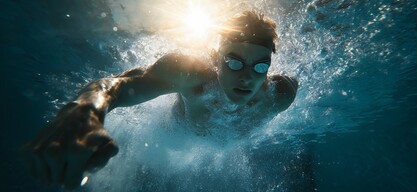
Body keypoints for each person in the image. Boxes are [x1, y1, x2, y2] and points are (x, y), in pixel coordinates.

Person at [22, 10, 298, 189]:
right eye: (234, 63)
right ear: (216, 58)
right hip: (175, 136)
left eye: (260, 66)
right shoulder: (192, 76)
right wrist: (85, 108)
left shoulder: (279, 96)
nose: (248, 78)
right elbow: (119, 84)